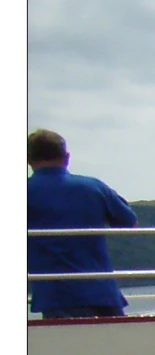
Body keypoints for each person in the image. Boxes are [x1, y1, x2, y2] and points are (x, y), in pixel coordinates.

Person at [28, 129, 134, 319]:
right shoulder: (94, 187)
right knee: (119, 347)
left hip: (56, 296)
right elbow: (129, 221)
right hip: (104, 292)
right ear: (67, 157)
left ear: (29, 159)